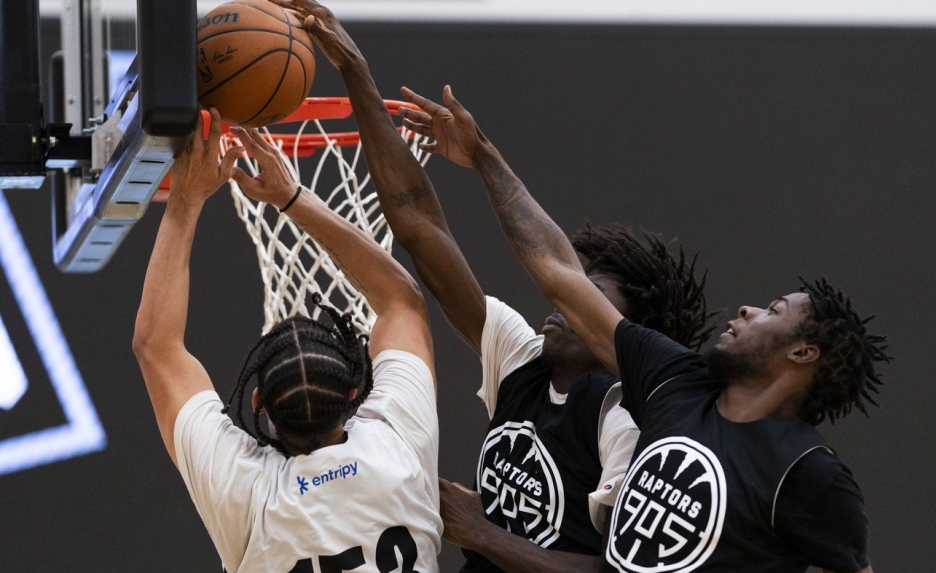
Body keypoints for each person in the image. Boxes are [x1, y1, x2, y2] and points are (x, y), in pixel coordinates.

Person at [273, 2, 714, 571]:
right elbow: (419, 226)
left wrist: (482, 533)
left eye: (588, 293)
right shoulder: (522, 358)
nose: (561, 300)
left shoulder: (622, 420)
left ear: (628, 330)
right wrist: (356, 71)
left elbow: (621, 570)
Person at [398, 85, 890, 573]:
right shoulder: (675, 383)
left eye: (773, 310)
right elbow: (559, 274)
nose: (747, 310)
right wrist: (484, 155)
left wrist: (483, 534)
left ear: (804, 353)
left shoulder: (809, 471)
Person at [132, 108, 441, 572]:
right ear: (356, 392)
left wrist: (186, 202)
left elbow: (157, 346)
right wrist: (290, 197)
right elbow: (402, 301)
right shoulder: (398, 447)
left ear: (259, 402)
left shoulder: (247, 493)